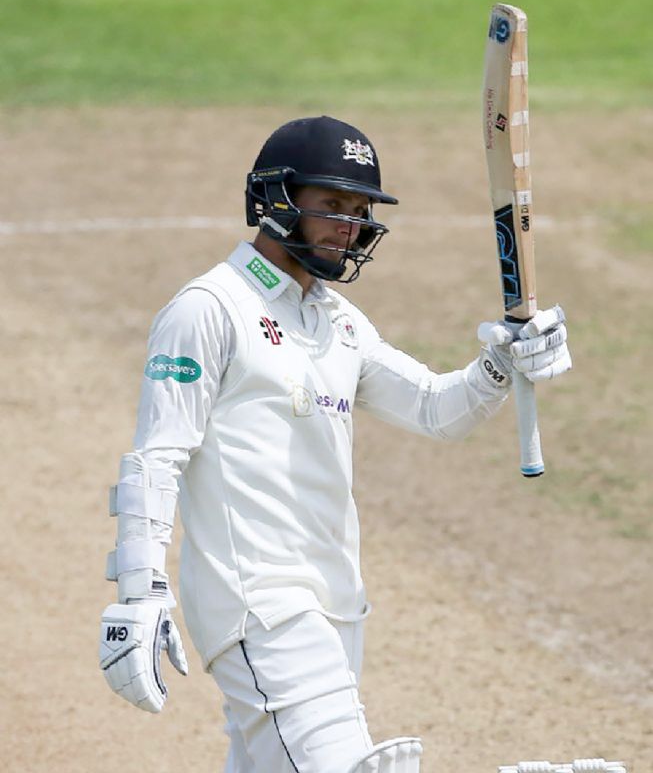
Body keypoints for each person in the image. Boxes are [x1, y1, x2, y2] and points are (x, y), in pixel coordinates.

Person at [99, 116, 571, 773]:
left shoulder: (339, 324)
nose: (348, 226)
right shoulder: (209, 308)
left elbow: (436, 410)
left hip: (336, 608)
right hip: (258, 602)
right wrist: (138, 590)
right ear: (276, 197)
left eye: (357, 210)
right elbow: (158, 455)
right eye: (331, 206)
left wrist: (502, 363)